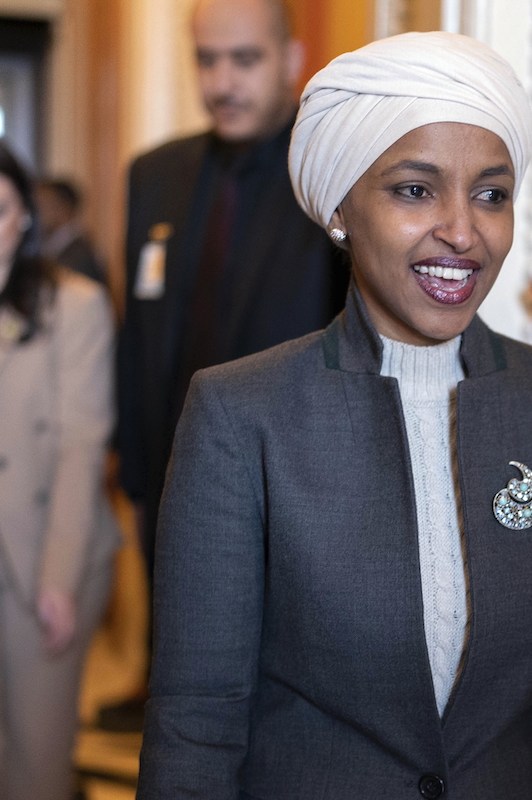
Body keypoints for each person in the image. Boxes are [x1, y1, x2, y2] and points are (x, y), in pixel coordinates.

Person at [136, 32, 532, 799]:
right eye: (415, 190)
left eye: (491, 194)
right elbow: (197, 721)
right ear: (340, 207)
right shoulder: (241, 415)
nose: (462, 231)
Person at [116, 0, 348, 576]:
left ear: (291, 59)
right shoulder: (155, 175)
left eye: (245, 60)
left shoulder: (335, 175)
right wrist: (136, 483)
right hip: (171, 482)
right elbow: (138, 336)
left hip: (293, 494)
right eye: (207, 60)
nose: (222, 84)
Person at [0, 139, 120, 799]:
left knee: (35, 753)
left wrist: (58, 578)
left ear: (24, 217)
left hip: (44, 545)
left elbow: (79, 446)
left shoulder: (72, 304)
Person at [34, 178, 107, 284]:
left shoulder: (80, 255)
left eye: (43, 204)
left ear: (65, 208)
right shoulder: (51, 245)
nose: (37, 212)